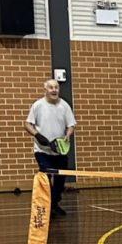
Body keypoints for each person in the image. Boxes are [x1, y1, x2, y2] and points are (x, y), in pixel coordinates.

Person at [24, 79, 76, 215]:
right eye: (51, 87)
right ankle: (47, 207)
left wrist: (67, 135)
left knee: (60, 182)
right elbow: (28, 124)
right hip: (42, 151)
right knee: (46, 179)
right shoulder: (38, 105)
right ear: (45, 90)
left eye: (56, 87)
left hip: (60, 150)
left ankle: (54, 204)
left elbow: (71, 125)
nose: (54, 90)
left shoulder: (64, 106)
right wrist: (38, 136)